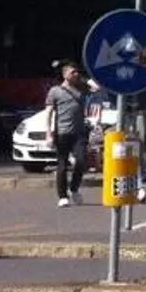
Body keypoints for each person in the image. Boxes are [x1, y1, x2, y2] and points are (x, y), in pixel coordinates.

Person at [47, 61, 94, 207]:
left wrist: (84, 80)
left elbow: (96, 87)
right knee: (62, 165)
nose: (76, 74)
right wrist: (48, 133)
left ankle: (74, 188)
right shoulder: (55, 91)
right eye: (72, 72)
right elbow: (48, 113)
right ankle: (62, 196)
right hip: (62, 132)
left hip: (79, 133)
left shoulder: (81, 88)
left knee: (81, 161)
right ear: (64, 74)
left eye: (77, 72)